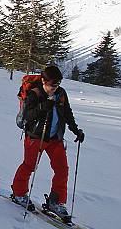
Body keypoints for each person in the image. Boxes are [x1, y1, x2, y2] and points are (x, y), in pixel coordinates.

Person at [11, 65, 85, 218]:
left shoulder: (61, 94)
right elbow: (27, 116)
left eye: (58, 84)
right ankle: (19, 193)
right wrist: (44, 107)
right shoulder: (34, 93)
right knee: (29, 165)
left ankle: (55, 202)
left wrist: (76, 130)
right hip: (36, 136)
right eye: (52, 84)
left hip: (55, 138)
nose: (55, 87)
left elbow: (67, 113)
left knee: (62, 169)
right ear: (44, 81)